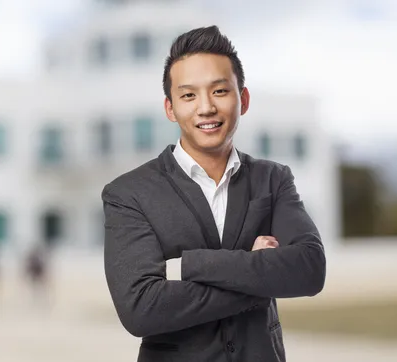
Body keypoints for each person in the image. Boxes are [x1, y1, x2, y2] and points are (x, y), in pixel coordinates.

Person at [102, 26, 326, 362]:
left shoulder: (273, 179)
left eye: (220, 91)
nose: (206, 108)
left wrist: (190, 265)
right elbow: (141, 309)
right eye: (189, 95)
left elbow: (309, 269)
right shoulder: (128, 194)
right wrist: (257, 275)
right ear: (170, 108)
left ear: (243, 99)